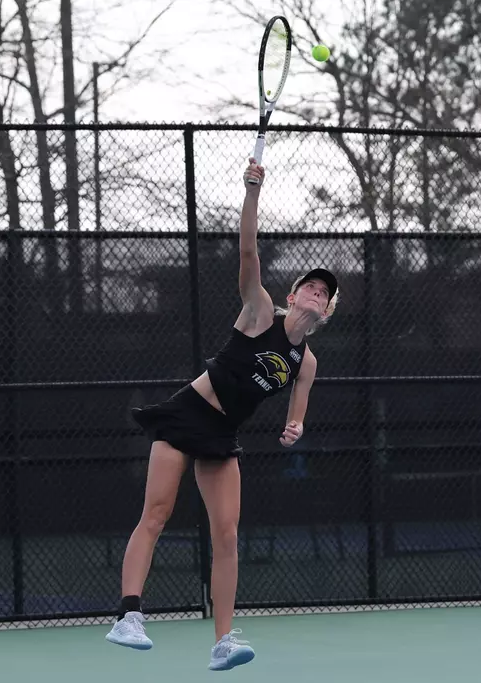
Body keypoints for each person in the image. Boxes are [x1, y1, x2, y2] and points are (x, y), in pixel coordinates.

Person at [105, 157, 340, 671]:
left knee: (228, 534)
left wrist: (294, 428)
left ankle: (224, 640)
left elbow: (297, 412)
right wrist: (251, 192)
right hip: (188, 414)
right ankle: (129, 616)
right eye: (311, 287)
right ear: (292, 295)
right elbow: (249, 250)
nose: (317, 294)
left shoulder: (308, 362)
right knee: (158, 513)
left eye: (325, 294)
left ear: (326, 312)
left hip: (223, 435)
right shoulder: (258, 311)